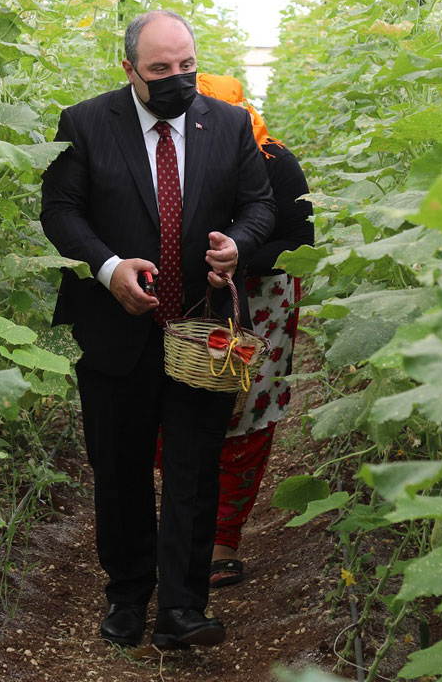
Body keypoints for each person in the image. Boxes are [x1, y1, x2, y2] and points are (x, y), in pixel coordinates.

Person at [40, 11, 275, 650]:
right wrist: (109, 267)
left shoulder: (226, 124)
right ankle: (127, 596)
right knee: (119, 470)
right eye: (160, 69)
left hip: (203, 326)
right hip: (119, 329)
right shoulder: (86, 123)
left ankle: (182, 606)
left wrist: (239, 248)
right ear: (130, 71)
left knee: (195, 470)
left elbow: (260, 204)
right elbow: (59, 209)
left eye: (186, 65)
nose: (178, 79)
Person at [193, 74, 314, 588]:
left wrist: (238, 260)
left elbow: (301, 241)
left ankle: (223, 539)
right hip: (191, 299)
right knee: (182, 407)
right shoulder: (169, 158)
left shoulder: (276, 162)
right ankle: (183, 525)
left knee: (246, 414)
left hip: (261, 303)